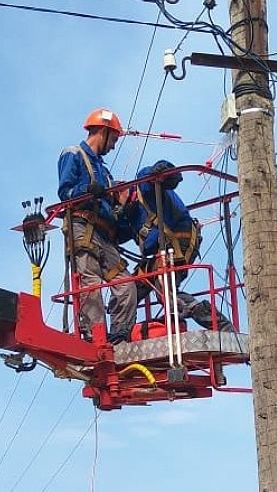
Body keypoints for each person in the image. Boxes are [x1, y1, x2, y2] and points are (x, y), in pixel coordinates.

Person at [58, 108, 137, 344]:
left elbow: (114, 208)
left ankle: (119, 335)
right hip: (83, 226)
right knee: (90, 283)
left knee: (126, 284)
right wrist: (86, 191)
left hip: (105, 234)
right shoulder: (73, 154)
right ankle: (97, 336)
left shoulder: (105, 172)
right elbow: (65, 192)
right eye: (113, 139)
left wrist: (124, 207)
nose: (113, 146)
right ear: (102, 132)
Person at [128, 160, 234, 332]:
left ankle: (216, 322)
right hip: (165, 248)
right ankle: (124, 331)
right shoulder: (131, 214)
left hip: (178, 243)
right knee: (133, 286)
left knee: (165, 290)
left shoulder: (142, 190)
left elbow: (148, 176)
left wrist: (162, 169)